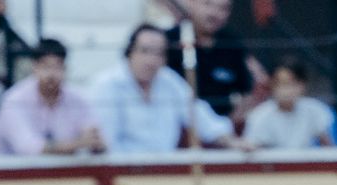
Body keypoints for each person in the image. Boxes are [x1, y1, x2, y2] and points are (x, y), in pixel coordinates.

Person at [91, 23, 240, 154]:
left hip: (164, 171)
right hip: (122, 171)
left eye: (159, 54)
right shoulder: (108, 85)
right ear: (130, 52)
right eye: (144, 51)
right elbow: (107, 143)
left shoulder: (169, 81)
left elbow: (198, 114)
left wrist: (230, 141)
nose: (151, 60)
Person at [0, 37, 102, 157]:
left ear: (65, 69)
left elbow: (93, 135)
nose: (51, 74)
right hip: (5, 173)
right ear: (34, 67)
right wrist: (79, 143)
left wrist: (95, 143)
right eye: (46, 67)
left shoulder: (77, 99)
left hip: (56, 172)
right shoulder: (14, 100)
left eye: (57, 67)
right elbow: (29, 148)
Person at [164, 0, 265, 122]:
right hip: (178, 125)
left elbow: (246, 92)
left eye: (223, 8)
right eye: (208, 4)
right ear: (192, 4)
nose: (215, 13)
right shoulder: (169, 41)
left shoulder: (232, 42)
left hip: (221, 128)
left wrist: (228, 125)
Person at [242, 55, 334, 150]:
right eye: (282, 84)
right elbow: (253, 149)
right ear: (272, 85)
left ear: (302, 85)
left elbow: (328, 147)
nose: (287, 90)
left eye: (292, 84)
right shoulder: (259, 116)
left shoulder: (316, 110)